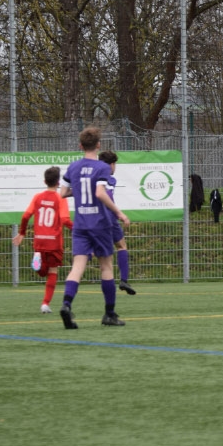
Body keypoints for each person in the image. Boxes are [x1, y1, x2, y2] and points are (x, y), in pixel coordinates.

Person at [58, 127, 131, 328]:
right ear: (98, 145)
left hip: (81, 224)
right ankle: (109, 314)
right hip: (100, 223)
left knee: (77, 267)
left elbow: (63, 193)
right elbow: (99, 193)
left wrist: (79, 192)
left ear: (81, 145)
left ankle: (66, 304)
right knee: (106, 266)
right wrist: (119, 213)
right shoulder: (102, 167)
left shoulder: (73, 167)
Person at [12, 166, 73, 314]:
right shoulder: (60, 198)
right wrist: (78, 230)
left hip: (39, 240)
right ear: (58, 183)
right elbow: (65, 219)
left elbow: (26, 216)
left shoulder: (37, 197)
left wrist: (22, 233)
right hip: (54, 241)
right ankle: (45, 304)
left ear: (45, 181)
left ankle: (37, 261)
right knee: (52, 271)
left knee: (41, 272)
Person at [98, 150, 136, 296]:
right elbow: (107, 196)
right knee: (121, 246)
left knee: (100, 253)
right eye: (115, 164)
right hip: (108, 217)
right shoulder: (110, 180)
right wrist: (118, 213)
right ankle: (124, 280)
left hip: (93, 217)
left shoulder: (94, 177)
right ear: (111, 164)